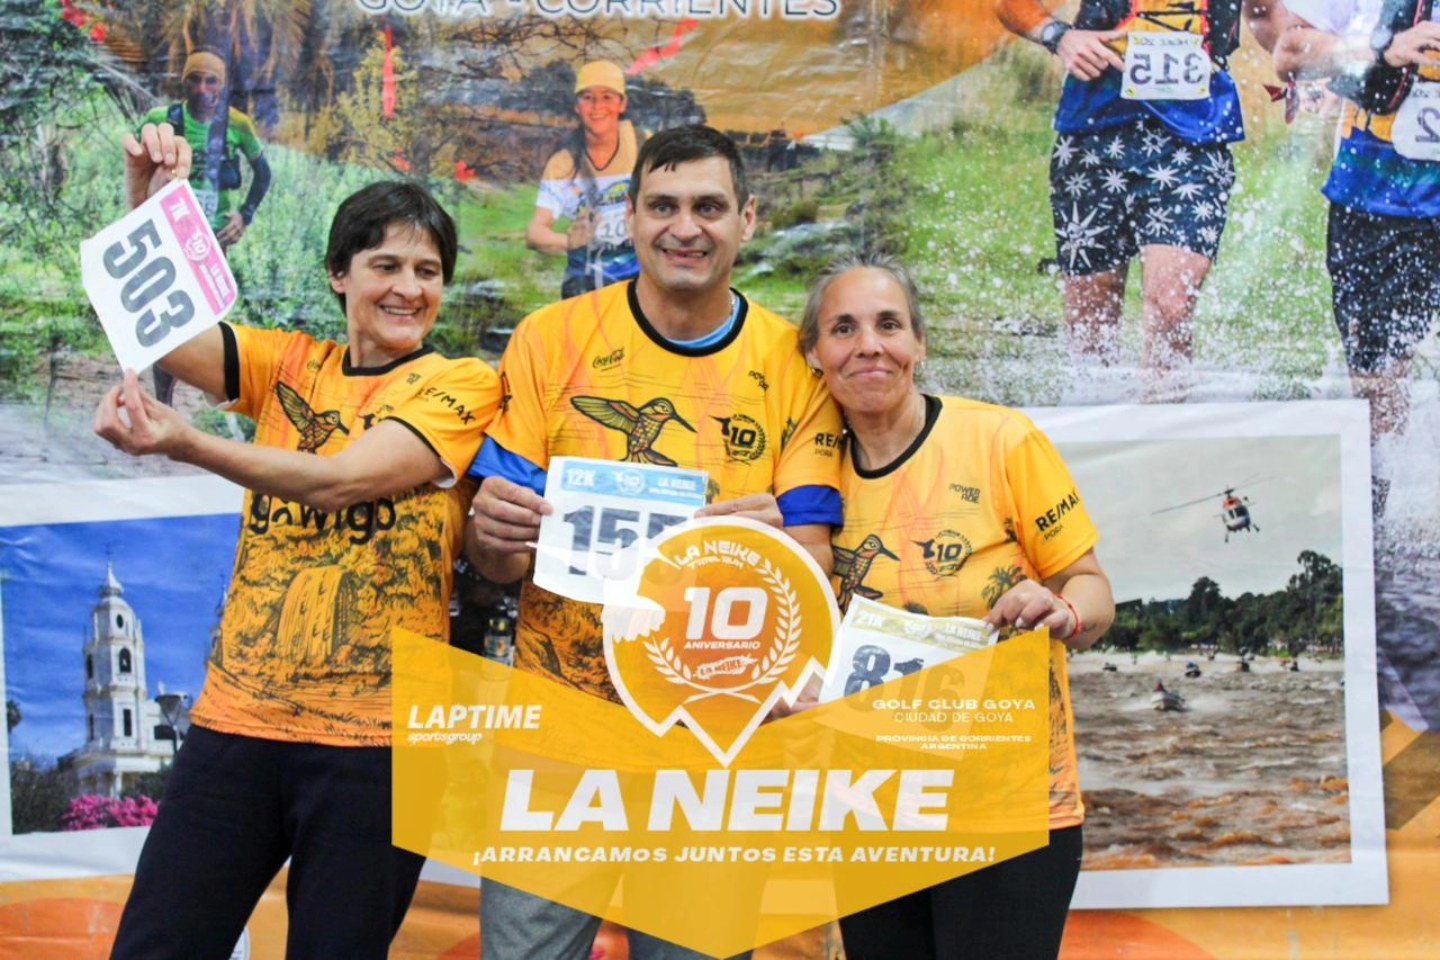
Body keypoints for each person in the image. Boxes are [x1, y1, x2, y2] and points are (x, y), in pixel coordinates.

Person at [95, 124, 500, 960]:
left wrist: (188, 443)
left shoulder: (462, 383)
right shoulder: (289, 366)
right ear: (338, 274)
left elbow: (343, 479)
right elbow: (162, 333)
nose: (409, 288)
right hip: (236, 726)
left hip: (379, 748)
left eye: (428, 272)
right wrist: (146, 202)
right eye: (386, 265)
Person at [466, 124, 844, 960]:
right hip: (559, 732)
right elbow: (495, 557)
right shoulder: (549, 338)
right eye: (663, 206)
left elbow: (816, 558)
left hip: (713, 740)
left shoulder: (796, 365)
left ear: (748, 218)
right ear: (629, 218)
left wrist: (773, 556)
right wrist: (490, 533)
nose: (686, 228)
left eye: (709, 207)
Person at [799, 253, 1114, 960]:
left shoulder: (1001, 440)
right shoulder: (805, 480)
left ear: (919, 343)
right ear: (814, 354)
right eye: (843, 329)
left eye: (889, 325)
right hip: (872, 807)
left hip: (1008, 806)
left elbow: (1093, 589)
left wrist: (1061, 609)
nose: (869, 345)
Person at [997, 0, 1270, 397]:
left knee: (1172, 307)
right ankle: (1097, 422)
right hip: (1093, 134)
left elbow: (1273, 15)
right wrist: (1059, 36)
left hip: (1194, 142)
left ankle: (1162, 427)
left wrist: (1304, 66)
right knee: (1091, 324)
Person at [1273, 0, 1440, 511]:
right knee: (1376, 381)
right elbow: (1289, 53)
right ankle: (1379, 523)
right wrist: (1378, 48)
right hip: (1374, 203)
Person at [528, 59, 645, 298]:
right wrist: (569, 241)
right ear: (577, 106)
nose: (597, 106)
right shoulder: (563, 163)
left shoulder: (643, 145)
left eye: (607, 97)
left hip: (640, 285)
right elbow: (535, 233)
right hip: (584, 287)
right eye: (588, 97)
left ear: (622, 103)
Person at [140, 49, 271, 252]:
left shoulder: (237, 123)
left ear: (221, 86)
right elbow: (136, 168)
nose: (202, 89)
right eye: (195, 79)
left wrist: (244, 216)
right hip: (165, 228)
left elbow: (263, 174)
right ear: (184, 82)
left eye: (211, 81)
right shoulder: (161, 119)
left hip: (214, 234)